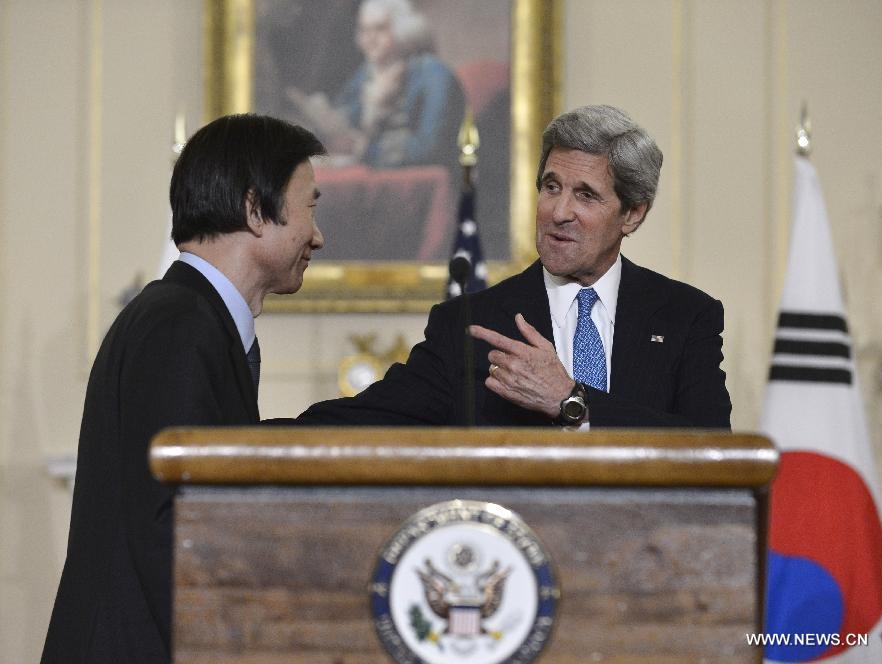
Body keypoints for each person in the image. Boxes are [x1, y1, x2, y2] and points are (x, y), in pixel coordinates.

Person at [41, 114, 326, 663]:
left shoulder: (191, 318)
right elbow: (172, 531)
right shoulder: (181, 325)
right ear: (253, 209)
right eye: (310, 207)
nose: (318, 234)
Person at [298, 104, 731, 429]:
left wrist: (571, 399)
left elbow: (710, 445)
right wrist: (239, 437)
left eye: (585, 195)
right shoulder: (470, 323)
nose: (558, 211)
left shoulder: (684, 316)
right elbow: (368, 417)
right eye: (551, 186)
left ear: (632, 214)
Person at [287, 0, 465, 171]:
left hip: (421, 179)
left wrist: (366, 149)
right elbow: (346, 119)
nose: (369, 39)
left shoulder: (433, 73)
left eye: (380, 29)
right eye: (364, 30)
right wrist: (327, 118)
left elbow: (430, 146)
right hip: (374, 169)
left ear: (404, 31)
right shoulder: (366, 73)